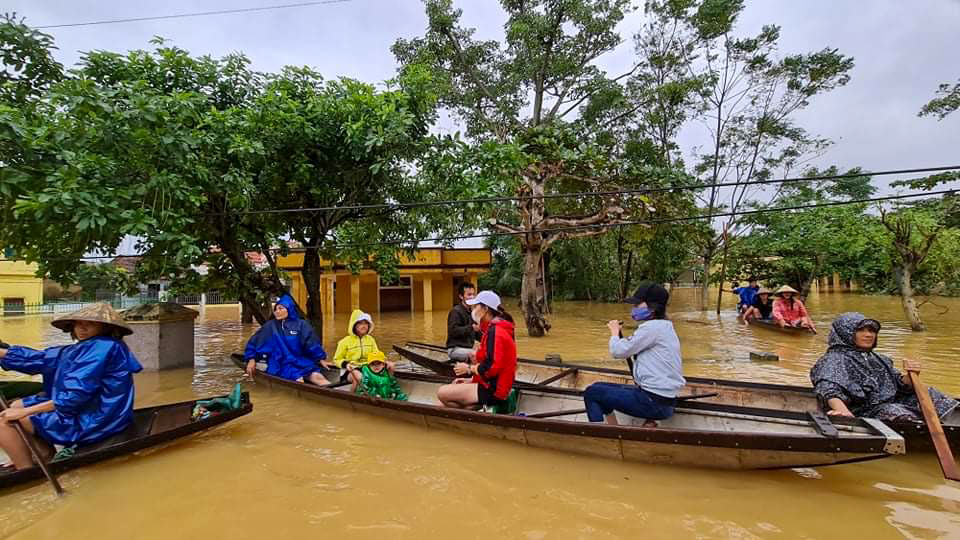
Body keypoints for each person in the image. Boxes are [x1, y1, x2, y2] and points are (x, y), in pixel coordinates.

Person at [0, 303, 143, 470]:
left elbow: (75, 396)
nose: (82, 328)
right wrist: (2, 353)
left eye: (90, 324)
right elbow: (43, 359)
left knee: (5, 421)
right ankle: (44, 454)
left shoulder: (102, 347)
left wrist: (26, 412)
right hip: (94, 407)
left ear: (104, 328)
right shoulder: (87, 346)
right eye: (78, 323)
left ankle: (25, 469)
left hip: (98, 418)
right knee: (16, 405)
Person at [810, 312, 959, 421]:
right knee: (894, 412)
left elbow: (899, 385)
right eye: (861, 330)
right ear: (845, 333)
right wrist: (842, 411)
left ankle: (945, 422)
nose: (868, 335)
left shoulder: (878, 358)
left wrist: (911, 375)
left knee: (928, 392)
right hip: (865, 412)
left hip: (890, 402)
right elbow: (827, 388)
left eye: (871, 330)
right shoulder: (834, 359)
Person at [583, 282, 685, 426]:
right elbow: (629, 347)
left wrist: (614, 332)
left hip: (654, 403)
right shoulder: (665, 326)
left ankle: (602, 438)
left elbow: (618, 351)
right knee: (598, 386)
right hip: (664, 401)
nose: (634, 308)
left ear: (653, 307)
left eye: (638, 305)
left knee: (592, 393)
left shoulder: (652, 328)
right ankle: (613, 430)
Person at [437, 291, 517, 410]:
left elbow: (492, 367)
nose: (473, 309)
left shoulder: (495, 332)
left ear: (485, 309)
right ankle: (468, 414)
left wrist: (469, 369)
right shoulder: (493, 329)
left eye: (476, 306)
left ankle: (466, 415)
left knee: (442, 393)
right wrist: (470, 380)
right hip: (494, 385)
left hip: (494, 390)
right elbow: (489, 365)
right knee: (441, 405)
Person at [244, 294, 332, 386]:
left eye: (281, 308)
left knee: (317, 376)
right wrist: (251, 359)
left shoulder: (302, 325)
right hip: (280, 363)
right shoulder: (270, 326)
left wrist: (321, 359)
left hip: (300, 361)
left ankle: (335, 395)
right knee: (298, 380)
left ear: (289, 309)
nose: (277, 312)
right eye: (276, 309)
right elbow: (254, 343)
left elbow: (311, 344)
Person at [333, 309, 391, 393]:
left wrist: (384, 360)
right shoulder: (344, 342)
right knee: (359, 377)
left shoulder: (371, 339)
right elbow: (336, 360)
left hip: (367, 367)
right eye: (360, 323)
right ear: (354, 325)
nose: (363, 326)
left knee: (391, 366)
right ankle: (352, 397)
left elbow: (376, 354)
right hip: (351, 370)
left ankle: (387, 391)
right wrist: (346, 364)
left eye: (366, 323)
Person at [446, 282, 481, 362]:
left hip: (467, 349)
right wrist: (471, 328)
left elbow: (478, 335)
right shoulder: (455, 311)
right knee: (477, 355)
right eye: (469, 295)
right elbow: (453, 331)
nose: (472, 297)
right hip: (455, 349)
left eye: (473, 294)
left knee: (486, 352)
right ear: (461, 296)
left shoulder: (472, 312)